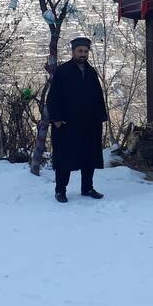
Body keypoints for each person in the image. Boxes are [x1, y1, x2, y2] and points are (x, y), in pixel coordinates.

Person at [46, 36, 107, 203]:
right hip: (67, 123)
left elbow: (98, 96)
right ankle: (60, 190)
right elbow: (53, 97)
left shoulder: (91, 72)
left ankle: (87, 187)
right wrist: (56, 118)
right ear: (73, 52)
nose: (83, 54)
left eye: (86, 51)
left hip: (89, 122)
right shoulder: (63, 71)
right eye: (80, 51)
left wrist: (101, 116)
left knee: (89, 156)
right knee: (65, 157)